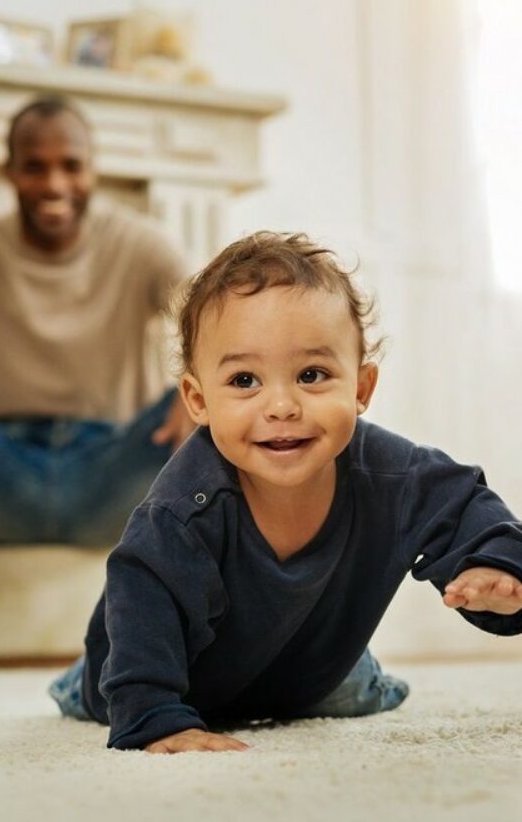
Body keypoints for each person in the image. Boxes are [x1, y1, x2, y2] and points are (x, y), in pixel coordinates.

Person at [49, 230, 522, 753]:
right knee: (105, 682)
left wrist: (494, 564)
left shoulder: (393, 476)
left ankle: (352, 676)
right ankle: (78, 680)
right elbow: (142, 595)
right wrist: (154, 716)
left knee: (346, 689)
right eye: (245, 381)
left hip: (307, 670)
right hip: (177, 670)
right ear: (197, 401)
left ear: (361, 388)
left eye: (312, 375)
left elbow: (463, 505)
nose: (281, 406)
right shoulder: (182, 510)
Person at [0, 95, 194, 677]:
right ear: (10, 172)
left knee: (223, 396)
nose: (54, 182)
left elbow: (212, 311)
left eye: (71, 165)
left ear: (92, 170)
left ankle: (216, 624)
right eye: (35, 166)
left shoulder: (141, 243)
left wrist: (198, 383)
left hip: (113, 470)